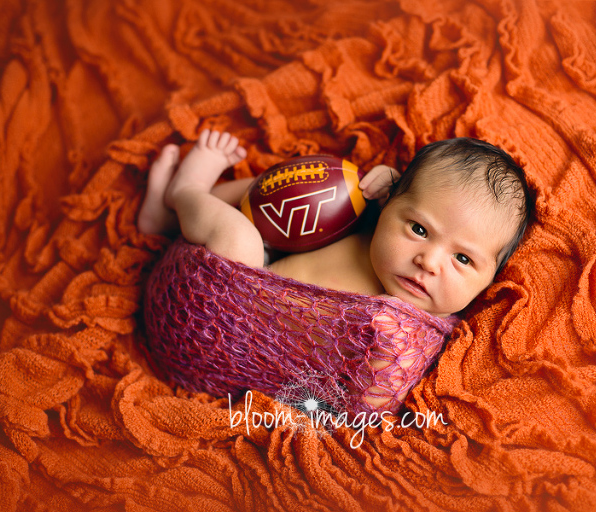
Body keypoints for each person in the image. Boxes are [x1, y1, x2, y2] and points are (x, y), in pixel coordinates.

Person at [138, 129, 532, 408]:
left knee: (239, 242)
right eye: (419, 229)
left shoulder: (412, 333)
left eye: (463, 259)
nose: (428, 260)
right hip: (197, 293)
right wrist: (371, 194)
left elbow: (367, 409)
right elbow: (383, 201)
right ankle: (170, 215)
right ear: (391, 201)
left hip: (213, 333)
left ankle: (184, 193)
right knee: (315, 190)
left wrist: (384, 359)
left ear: (490, 280)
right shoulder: (376, 218)